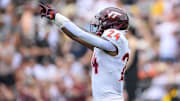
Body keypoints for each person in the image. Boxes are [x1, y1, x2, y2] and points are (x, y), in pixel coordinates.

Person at [40, 2, 130, 101]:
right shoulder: (108, 46)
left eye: (103, 22)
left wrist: (55, 16)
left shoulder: (116, 43)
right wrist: (57, 21)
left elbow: (80, 34)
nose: (100, 24)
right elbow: (76, 37)